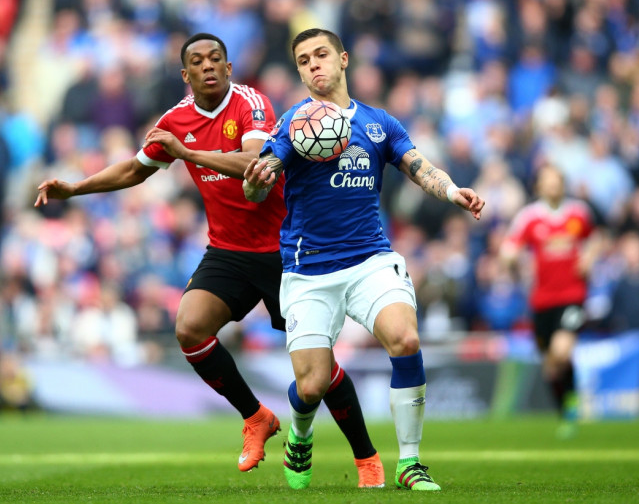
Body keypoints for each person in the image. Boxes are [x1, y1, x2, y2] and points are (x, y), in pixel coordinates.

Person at [34, 33, 384, 486]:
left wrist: (186, 153)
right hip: (228, 250)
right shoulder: (175, 120)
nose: (208, 66)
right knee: (189, 328)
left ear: (229, 66)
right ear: (186, 75)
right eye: (197, 62)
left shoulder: (251, 104)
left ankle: (365, 457)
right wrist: (75, 188)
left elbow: (255, 163)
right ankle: (255, 416)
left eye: (216, 58)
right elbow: (134, 169)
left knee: (316, 373)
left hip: (287, 250)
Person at [243, 28, 485, 491]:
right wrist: (255, 180)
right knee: (311, 387)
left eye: (321, 55)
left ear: (344, 59)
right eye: (303, 60)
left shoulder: (378, 123)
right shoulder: (294, 125)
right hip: (308, 268)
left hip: (369, 259)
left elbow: (420, 166)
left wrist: (453, 191)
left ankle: (409, 463)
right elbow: (259, 184)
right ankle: (300, 433)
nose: (313, 65)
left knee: (406, 338)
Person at [500, 164, 599, 438]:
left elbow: (595, 240)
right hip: (542, 300)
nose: (553, 186)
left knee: (561, 350)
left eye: (557, 181)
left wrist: (589, 258)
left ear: (563, 184)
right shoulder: (530, 217)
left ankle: (572, 405)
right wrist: (510, 259)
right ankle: (566, 411)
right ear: (539, 186)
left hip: (573, 296)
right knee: (550, 367)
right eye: (548, 182)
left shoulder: (579, 213)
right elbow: (509, 248)